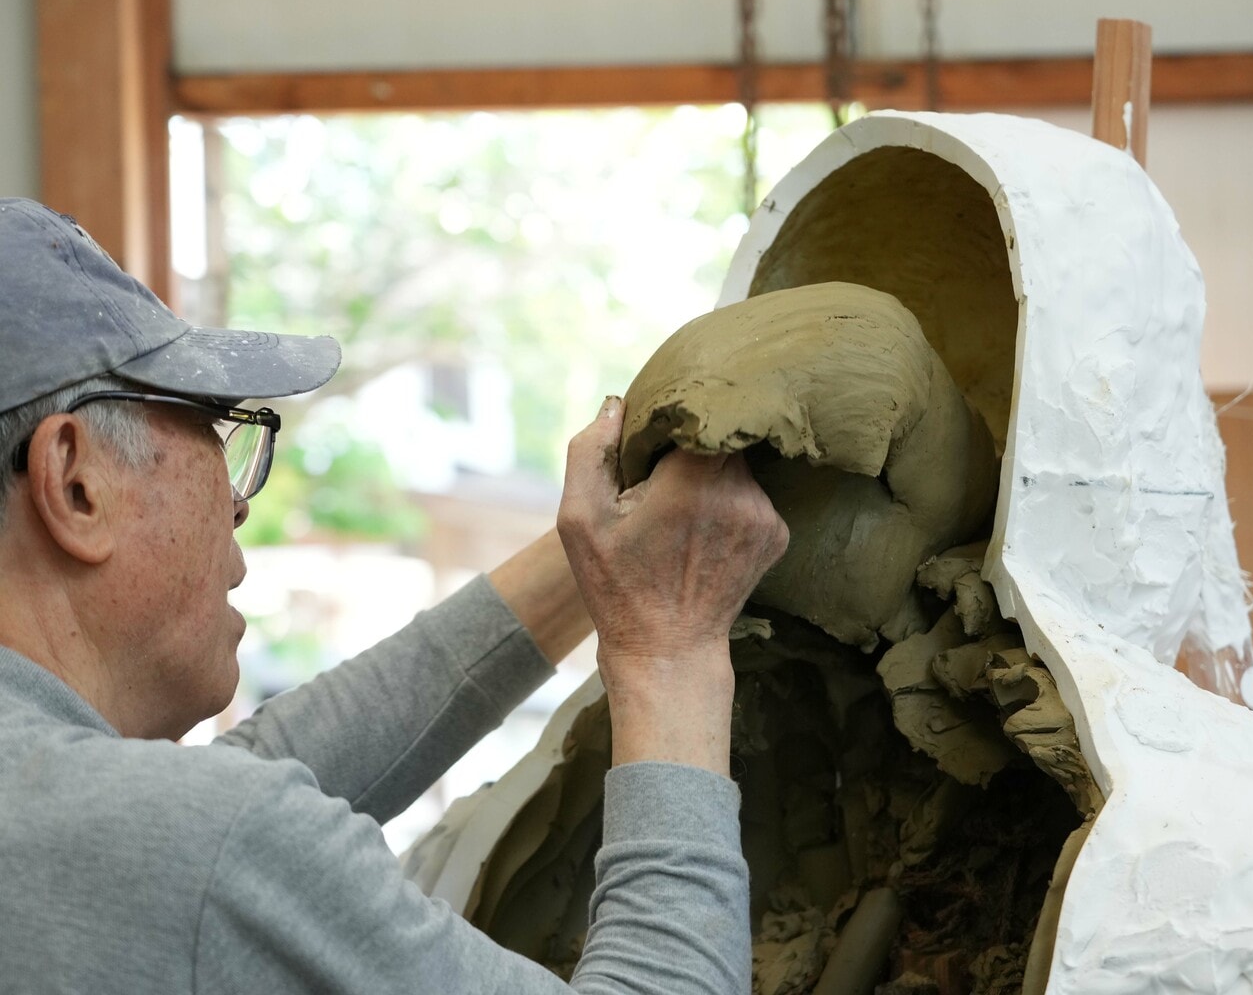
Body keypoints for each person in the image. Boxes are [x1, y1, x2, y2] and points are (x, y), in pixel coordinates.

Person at [0, 197, 788, 993]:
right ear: (75, 482)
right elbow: (216, 839)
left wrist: (603, 556)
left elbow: (245, 789)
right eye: (217, 425)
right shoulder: (186, 848)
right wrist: (669, 649)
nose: (238, 502)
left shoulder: (67, 808)